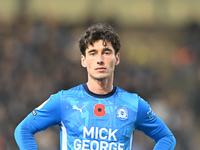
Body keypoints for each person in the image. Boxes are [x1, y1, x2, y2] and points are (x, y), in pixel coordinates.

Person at [14, 23, 176, 150]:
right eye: (92, 53)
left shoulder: (133, 104)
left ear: (117, 58)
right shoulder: (64, 100)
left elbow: (167, 138)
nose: (100, 59)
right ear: (83, 60)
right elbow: (23, 130)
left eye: (106, 52)